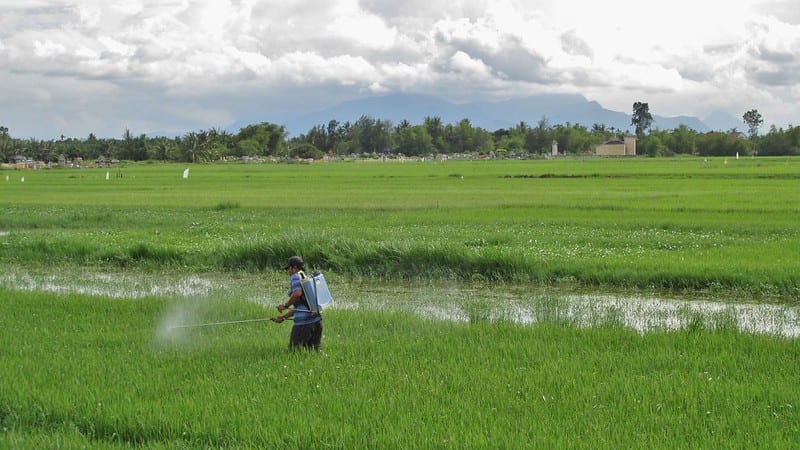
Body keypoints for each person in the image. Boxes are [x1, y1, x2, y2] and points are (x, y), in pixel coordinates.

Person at [274, 255, 323, 351]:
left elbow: (297, 294)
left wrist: (285, 305)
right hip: (317, 321)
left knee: (294, 352)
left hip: (304, 324)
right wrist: (284, 317)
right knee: (315, 351)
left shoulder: (295, 277)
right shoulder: (305, 277)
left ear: (295, 268)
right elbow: (301, 306)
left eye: (289, 268)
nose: (288, 271)